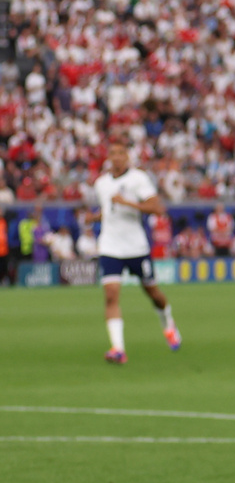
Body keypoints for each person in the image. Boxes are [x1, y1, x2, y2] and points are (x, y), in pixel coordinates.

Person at [93, 137, 181, 363]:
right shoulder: (101, 183)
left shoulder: (138, 179)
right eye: (112, 153)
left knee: (153, 293)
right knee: (111, 295)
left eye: (121, 152)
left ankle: (168, 324)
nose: (117, 157)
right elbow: (109, 210)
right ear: (108, 157)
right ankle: (118, 349)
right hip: (110, 245)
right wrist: (94, 216)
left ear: (127, 156)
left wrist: (128, 203)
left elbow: (156, 207)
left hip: (135, 247)